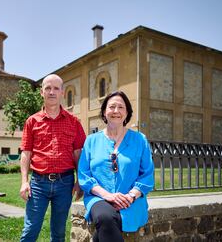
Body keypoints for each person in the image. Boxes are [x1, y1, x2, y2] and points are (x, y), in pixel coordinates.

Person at [78, 91, 154, 242]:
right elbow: (84, 175)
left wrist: (130, 196)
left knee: (109, 220)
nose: (116, 111)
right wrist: (108, 196)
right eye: (111, 107)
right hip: (98, 197)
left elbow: (147, 175)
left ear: (127, 113)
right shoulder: (91, 141)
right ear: (104, 112)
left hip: (131, 199)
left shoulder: (140, 139)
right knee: (105, 216)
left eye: (121, 107)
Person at [19, 74, 86, 242]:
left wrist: (79, 180)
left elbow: (78, 153)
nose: (51, 92)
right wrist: (24, 181)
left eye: (56, 88)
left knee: (58, 232)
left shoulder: (74, 121)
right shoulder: (32, 121)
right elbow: (26, 153)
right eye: (47, 88)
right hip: (38, 184)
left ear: (62, 92)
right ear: (41, 92)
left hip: (65, 183)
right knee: (30, 230)